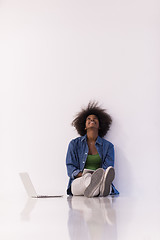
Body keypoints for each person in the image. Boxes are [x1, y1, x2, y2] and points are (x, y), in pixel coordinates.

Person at [66, 101, 119, 197]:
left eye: (95, 119)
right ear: (84, 126)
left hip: (101, 179)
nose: (92, 120)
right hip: (80, 181)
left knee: (102, 180)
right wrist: (85, 175)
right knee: (87, 180)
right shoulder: (74, 144)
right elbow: (70, 169)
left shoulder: (108, 146)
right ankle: (100, 189)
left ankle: (99, 188)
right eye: (88, 119)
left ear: (99, 126)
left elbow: (107, 169)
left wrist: (100, 176)